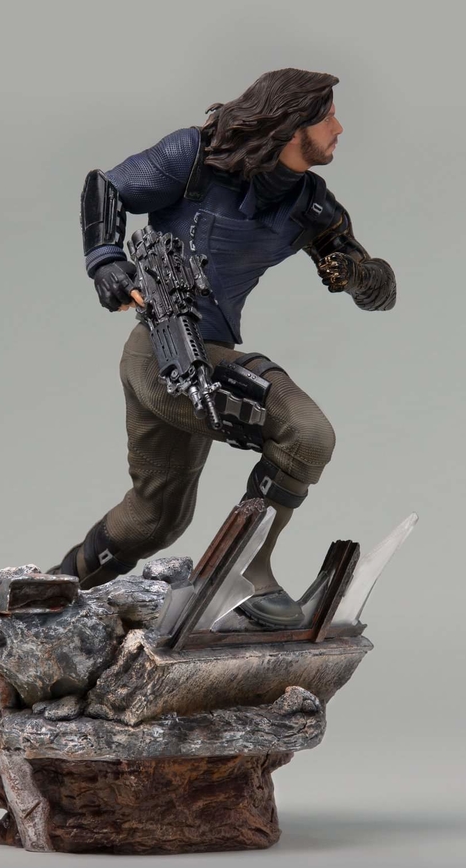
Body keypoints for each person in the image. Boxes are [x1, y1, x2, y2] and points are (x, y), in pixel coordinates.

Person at [52, 68, 397, 627]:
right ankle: (246, 573)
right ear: (292, 126)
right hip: (157, 351)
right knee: (307, 433)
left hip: (203, 354)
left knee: (153, 520)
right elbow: (106, 187)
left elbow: (380, 288)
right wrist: (106, 260)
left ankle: (50, 590)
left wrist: (355, 275)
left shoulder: (310, 206)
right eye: (328, 117)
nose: (339, 129)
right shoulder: (195, 158)